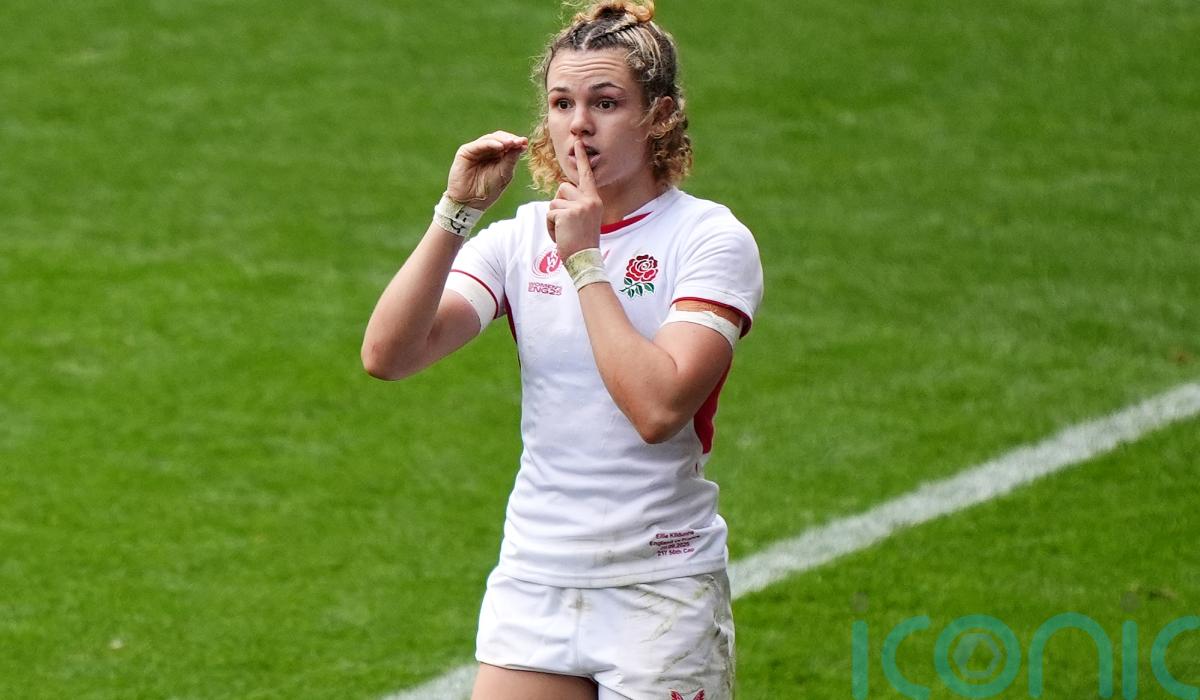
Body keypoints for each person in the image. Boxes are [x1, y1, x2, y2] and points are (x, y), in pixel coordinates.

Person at [361, 1, 763, 697]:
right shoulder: (518, 239)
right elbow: (389, 356)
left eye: (605, 102)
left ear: (660, 115)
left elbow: (658, 408)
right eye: (561, 102)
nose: (578, 124)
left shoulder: (709, 240)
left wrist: (584, 260)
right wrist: (456, 214)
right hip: (537, 577)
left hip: (658, 590)